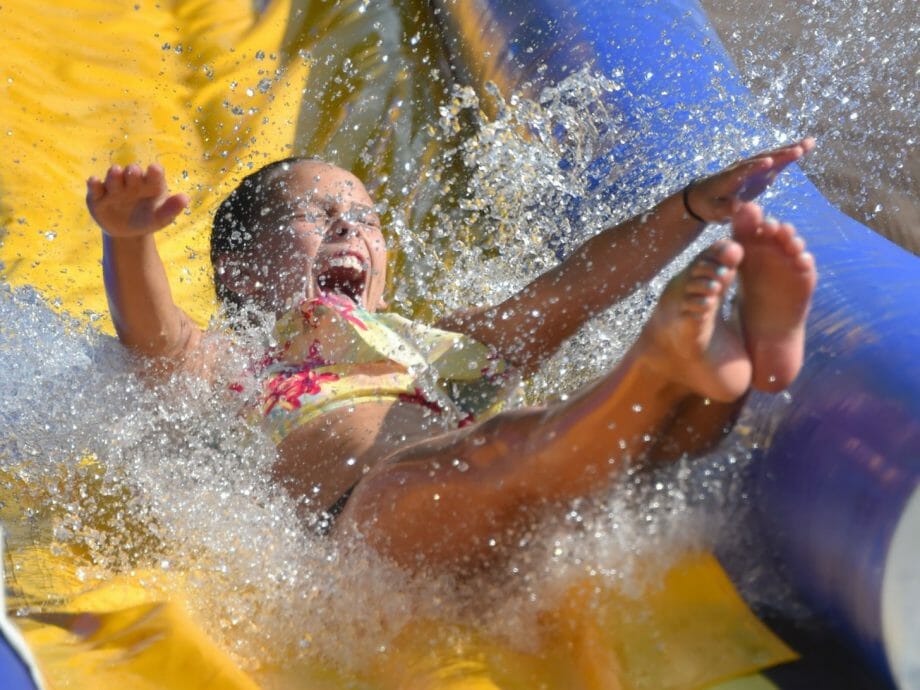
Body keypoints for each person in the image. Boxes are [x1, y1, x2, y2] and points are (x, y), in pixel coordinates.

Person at [87, 139, 817, 574]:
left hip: (519, 498)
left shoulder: (439, 344)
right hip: (371, 532)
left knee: (656, 443)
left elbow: (572, 292)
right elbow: (157, 335)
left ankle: (717, 372)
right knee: (496, 446)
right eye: (314, 215)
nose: (350, 222)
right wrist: (128, 237)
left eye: (366, 217)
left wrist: (689, 208)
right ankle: (683, 363)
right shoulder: (241, 362)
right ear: (244, 270)